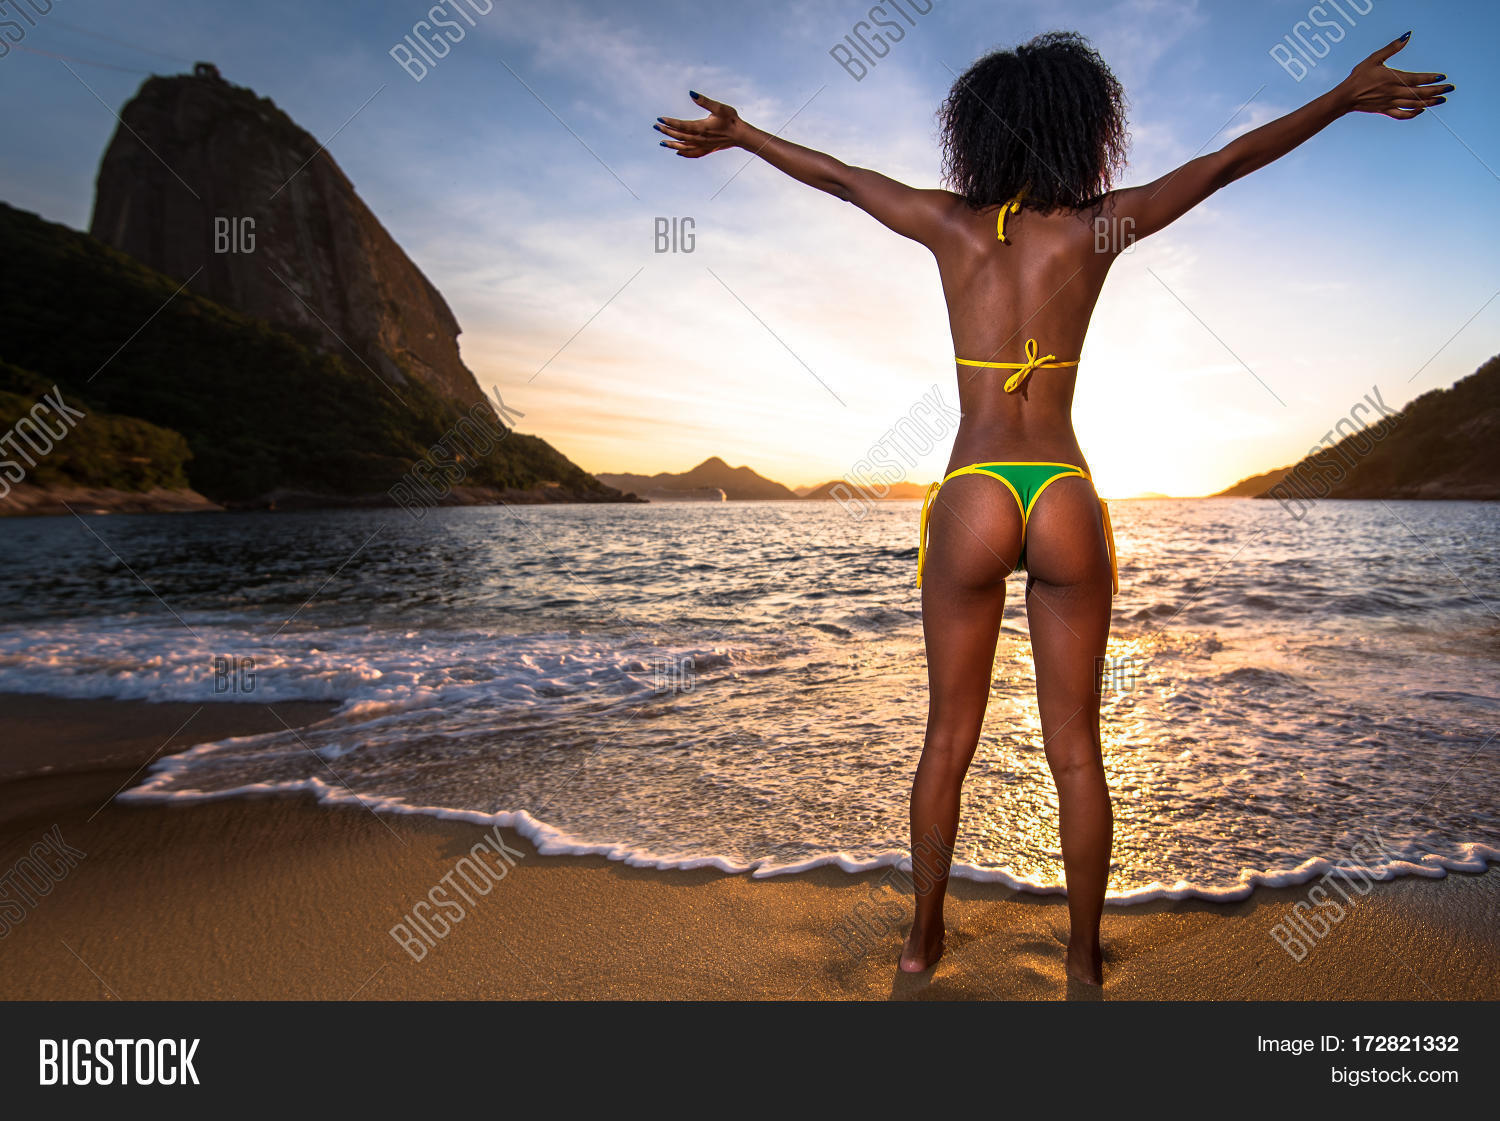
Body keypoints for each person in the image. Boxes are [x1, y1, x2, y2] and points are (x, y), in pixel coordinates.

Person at [655, 30, 1451, 985]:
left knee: (948, 735)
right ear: (1084, 129)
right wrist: (1339, 97)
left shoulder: (948, 225)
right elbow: (1227, 162)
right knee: (1076, 747)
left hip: (973, 491)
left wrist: (745, 136)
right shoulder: (1096, 228)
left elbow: (838, 177)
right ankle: (1080, 958)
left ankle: (921, 941)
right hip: (1065, 491)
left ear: (977, 136)